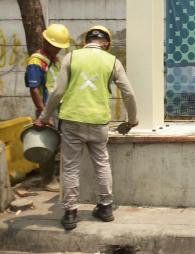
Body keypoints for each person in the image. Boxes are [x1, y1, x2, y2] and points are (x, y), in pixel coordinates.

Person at [34, 25, 138, 231]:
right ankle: (106, 208)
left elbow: (57, 93)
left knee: (71, 166)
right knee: (101, 163)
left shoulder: (71, 58)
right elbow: (129, 93)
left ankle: (71, 212)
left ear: (85, 41)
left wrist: (44, 117)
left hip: (72, 120)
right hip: (98, 122)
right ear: (106, 43)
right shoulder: (112, 61)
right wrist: (132, 119)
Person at [24, 23, 70, 192]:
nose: (58, 49)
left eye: (60, 47)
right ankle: (47, 180)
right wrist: (44, 113)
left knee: (57, 142)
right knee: (46, 144)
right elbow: (34, 89)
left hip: (59, 107)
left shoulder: (54, 60)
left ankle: (54, 177)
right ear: (46, 42)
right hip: (47, 108)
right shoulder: (36, 61)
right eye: (56, 46)